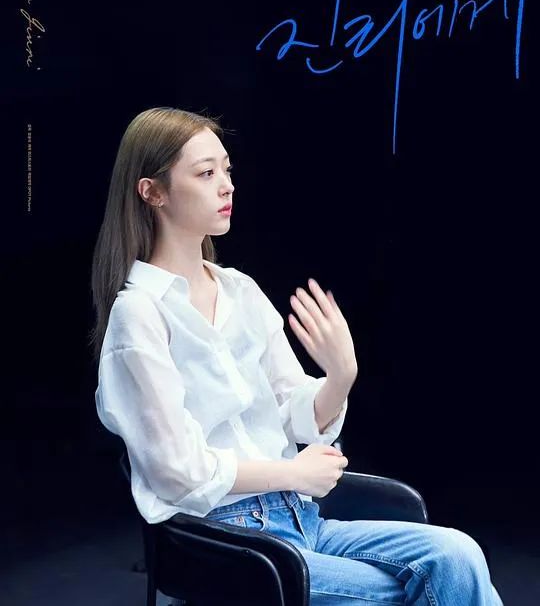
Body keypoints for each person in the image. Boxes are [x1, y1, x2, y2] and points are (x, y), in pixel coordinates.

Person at [90, 106, 504, 605]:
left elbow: (292, 414)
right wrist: (293, 473)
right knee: (415, 591)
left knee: (457, 554)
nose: (227, 186)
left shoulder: (240, 290)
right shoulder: (140, 314)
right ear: (152, 192)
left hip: (300, 520)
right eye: (205, 173)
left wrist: (341, 375)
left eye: (227, 170)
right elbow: (176, 469)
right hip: (229, 543)